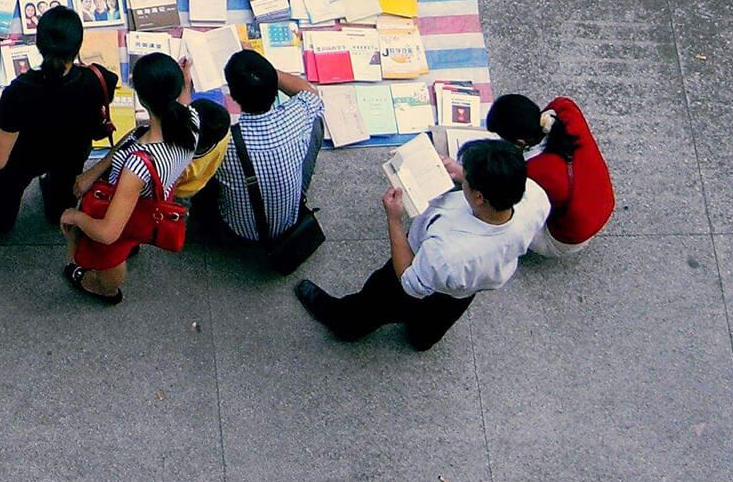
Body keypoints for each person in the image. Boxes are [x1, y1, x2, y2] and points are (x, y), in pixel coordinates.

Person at [295, 139, 549, 350]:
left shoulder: (449, 254)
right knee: (432, 325)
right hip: (460, 292)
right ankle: (421, 339)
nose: (463, 181)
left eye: (467, 181)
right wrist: (460, 173)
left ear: (480, 197)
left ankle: (343, 324)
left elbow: (408, 279)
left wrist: (394, 219)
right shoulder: (535, 198)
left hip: (421, 265)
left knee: (373, 303)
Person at [59, 52, 201, 304]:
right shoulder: (191, 120)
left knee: (111, 254)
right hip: (155, 197)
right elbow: (183, 101)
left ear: (142, 99)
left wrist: (75, 216)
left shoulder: (138, 164)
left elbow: (108, 233)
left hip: (129, 209)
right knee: (130, 239)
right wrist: (185, 83)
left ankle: (104, 287)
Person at [0, 6, 118, 234]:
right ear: (78, 46)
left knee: (4, 202)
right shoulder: (98, 79)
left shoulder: (18, 92)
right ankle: (57, 213)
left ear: (38, 44)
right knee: (62, 196)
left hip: (23, 159)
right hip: (72, 154)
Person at [212, 51, 325, 243]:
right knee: (316, 123)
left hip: (238, 230)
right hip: (289, 221)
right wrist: (262, 72)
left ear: (233, 95)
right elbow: (310, 93)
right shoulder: (296, 117)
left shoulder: (224, 140)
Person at [486, 93, 615, 257]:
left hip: (566, 239)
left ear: (520, 143)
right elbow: (560, 104)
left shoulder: (534, 173)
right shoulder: (566, 109)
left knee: (497, 209)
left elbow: (499, 194)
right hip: (600, 206)